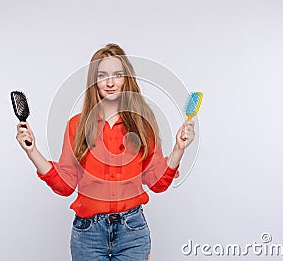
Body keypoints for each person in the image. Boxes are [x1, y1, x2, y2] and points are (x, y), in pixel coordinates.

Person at [15, 43, 195, 261]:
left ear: (126, 79)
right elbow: (65, 184)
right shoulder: (76, 125)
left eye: (117, 74)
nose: (110, 82)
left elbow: (157, 182)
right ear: (94, 81)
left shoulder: (142, 124)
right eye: (102, 75)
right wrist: (32, 151)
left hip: (132, 233)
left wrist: (178, 149)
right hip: (88, 235)